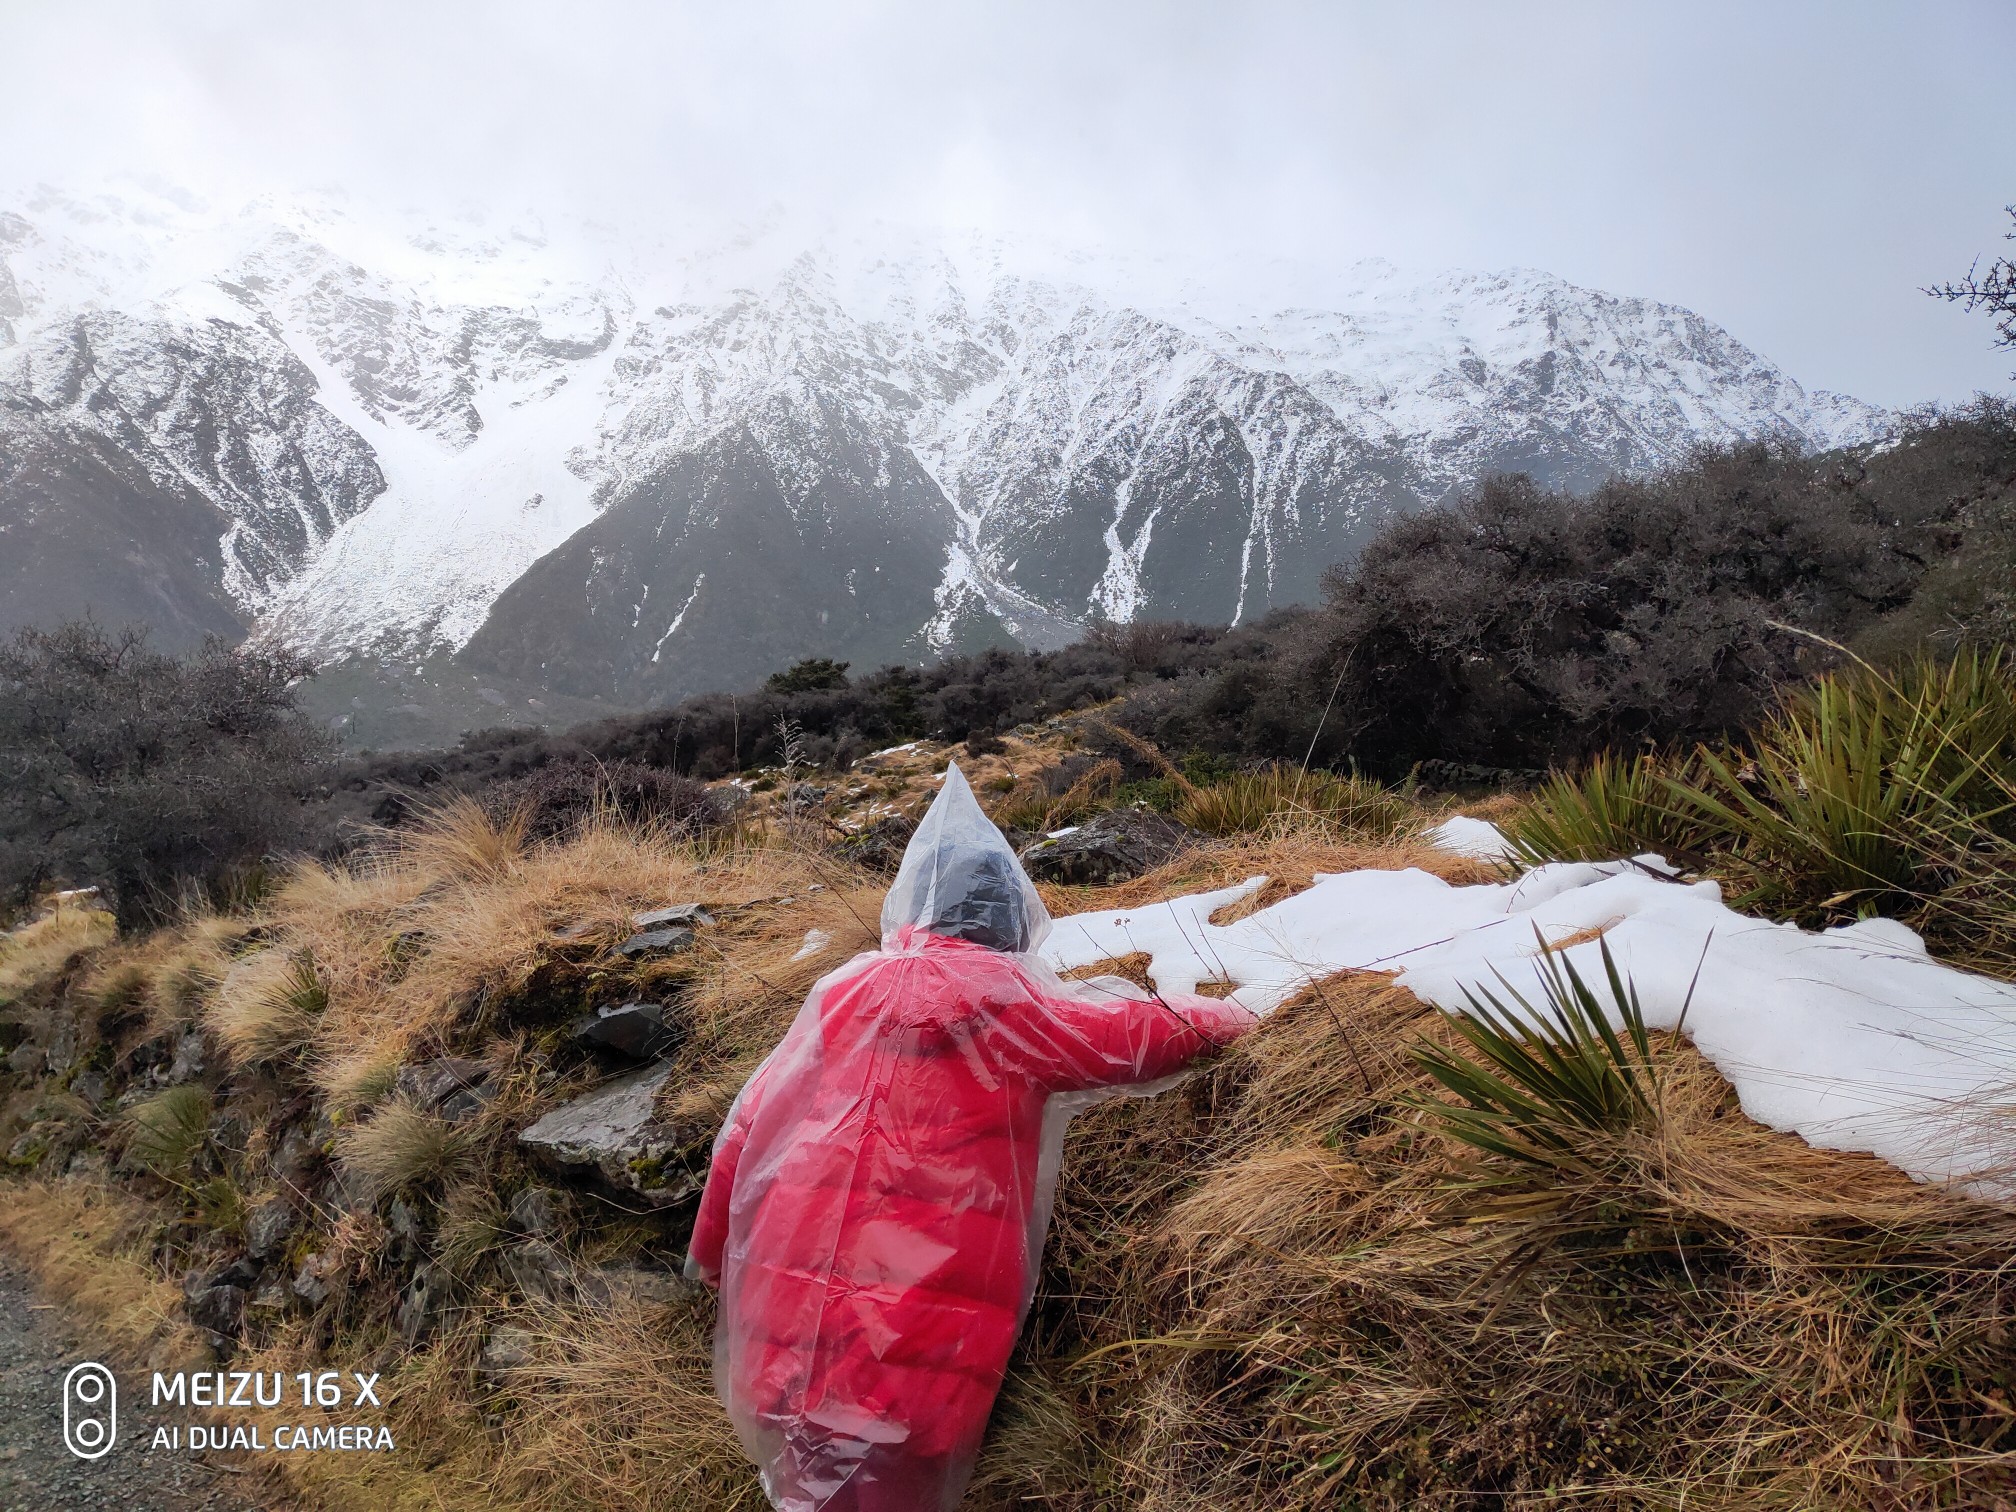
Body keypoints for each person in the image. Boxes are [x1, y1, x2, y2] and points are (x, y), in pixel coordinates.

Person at [687, 763, 1257, 1512]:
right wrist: (1245, 1013)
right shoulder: (1009, 1008)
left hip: (784, 1323)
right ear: (1010, 922)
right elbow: (1136, 1039)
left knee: (806, 1488)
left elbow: (747, 1132)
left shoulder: (842, 993)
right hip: (910, 1354)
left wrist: (710, 1256)